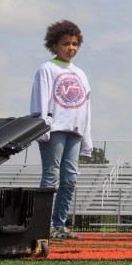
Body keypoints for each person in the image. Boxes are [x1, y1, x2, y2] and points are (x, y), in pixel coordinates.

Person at [30, 19, 92, 241]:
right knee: (51, 175)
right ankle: (43, 225)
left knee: (70, 179)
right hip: (54, 129)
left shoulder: (81, 74)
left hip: (74, 132)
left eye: (75, 44)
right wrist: (41, 128)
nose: (71, 48)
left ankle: (59, 224)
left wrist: (86, 138)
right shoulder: (46, 69)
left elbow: (86, 108)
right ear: (54, 45)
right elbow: (40, 100)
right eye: (66, 44)